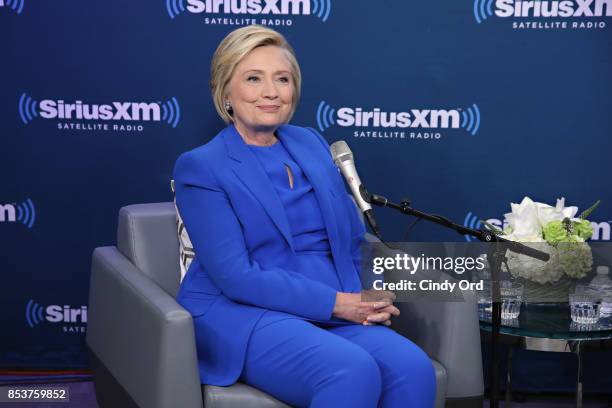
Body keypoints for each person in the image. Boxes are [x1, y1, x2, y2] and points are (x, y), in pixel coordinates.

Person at [173, 25, 436, 408]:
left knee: (412, 366)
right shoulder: (201, 167)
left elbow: (352, 238)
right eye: (253, 79)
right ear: (225, 90)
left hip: (332, 304)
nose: (270, 92)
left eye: (282, 79)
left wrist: (368, 294)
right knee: (350, 369)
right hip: (248, 313)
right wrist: (338, 303)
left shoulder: (310, 143)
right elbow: (235, 276)